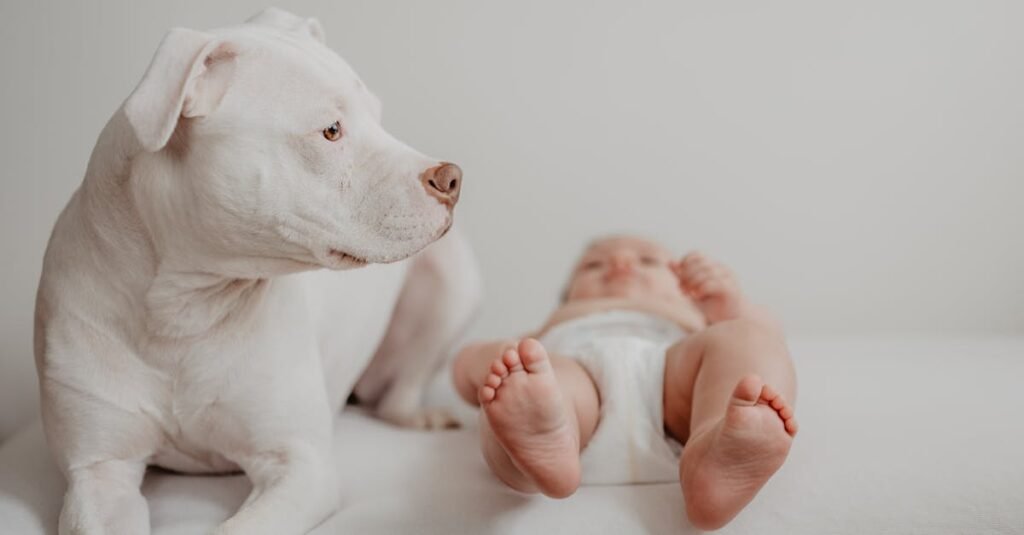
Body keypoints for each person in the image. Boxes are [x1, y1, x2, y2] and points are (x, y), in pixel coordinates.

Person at [452, 235, 798, 530]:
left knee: (744, 338)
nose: (620, 264)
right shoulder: (547, 335)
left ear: (687, 292)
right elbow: (465, 367)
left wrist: (732, 306)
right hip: (572, 384)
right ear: (569, 295)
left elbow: (770, 336)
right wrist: (490, 357)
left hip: (673, 378)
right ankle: (535, 445)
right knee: (526, 379)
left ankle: (715, 449)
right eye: (593, 266)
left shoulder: (697, 319)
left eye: (648, 261)